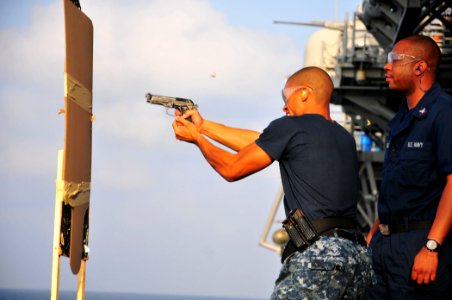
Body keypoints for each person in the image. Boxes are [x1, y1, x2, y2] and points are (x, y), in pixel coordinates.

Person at [172, 66, 373, 299]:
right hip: (357, 258)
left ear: (304, 94)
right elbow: (261, 142)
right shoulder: (342, 137)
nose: (284, 106)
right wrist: (203, 126)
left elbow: (231, 168)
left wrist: (197, 139)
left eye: (286, 97)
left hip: (319, 257)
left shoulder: (289, 127)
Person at [365, 35, 452, 299]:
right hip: (385, 244)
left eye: (394, 59)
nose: (386, 67)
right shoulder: (401, 119)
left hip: (419, 244)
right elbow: (398, 186)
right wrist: (374, 232)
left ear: (419, 67)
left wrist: (431, 247)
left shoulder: (444, 113)